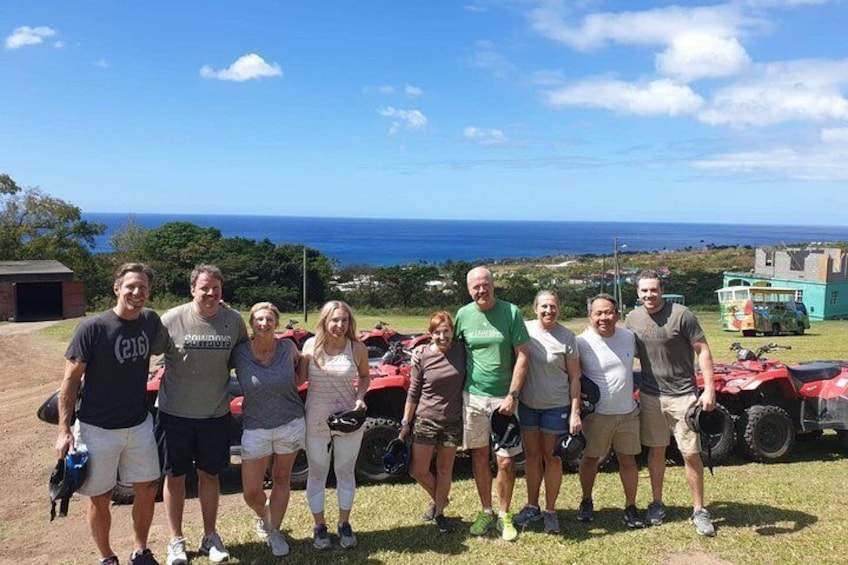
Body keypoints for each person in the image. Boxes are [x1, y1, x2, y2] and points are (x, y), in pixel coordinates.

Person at [54, 263, 169, 565]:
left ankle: (140, 550)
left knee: (147, 487)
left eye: (143, 287)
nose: (137, 292)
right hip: (97, 427)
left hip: (139, 423)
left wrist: (215, 306)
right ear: (117, 288)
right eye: (131, 286)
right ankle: (107, 557)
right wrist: (64, 429)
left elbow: (175, 333)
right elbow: (70, 381)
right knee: (100, 496)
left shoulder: (149, 321)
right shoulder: (93, 328)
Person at [156, 265, 249, 564]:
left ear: (222, 292)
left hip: (215, 414)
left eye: (216, 289)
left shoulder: (233, 322)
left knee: (210, 475)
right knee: (175, 477)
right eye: (204, 288)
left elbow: (246, 357)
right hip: (174, 414)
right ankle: (175, 540)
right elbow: (145, 355)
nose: (210, 294)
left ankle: (210, 536)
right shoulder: (171, 319)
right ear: (192, 289)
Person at [625, 270, 717, 537]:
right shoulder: (632, 319)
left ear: (661, 289)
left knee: (690, 453)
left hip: (684, 396)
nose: (649, 295)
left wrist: (709, 388)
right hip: (651, 395)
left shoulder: (682, 315)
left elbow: (703, 349)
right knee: (656, 452)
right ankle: (656, 504)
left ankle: (699, 509)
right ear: (638, 293)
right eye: (644, 291)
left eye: (653, 290)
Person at [455, 266, 530, 542]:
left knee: (506, 461)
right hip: (472, 397)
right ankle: (486, 510)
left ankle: (504, 514)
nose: (481, 290)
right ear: (468, 289)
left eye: (485, 285)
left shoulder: (510, 312)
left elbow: (523, 355)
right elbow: (449, 348)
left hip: (504, 400)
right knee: (478, 456)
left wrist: (513, 394)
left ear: (493, 285)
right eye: (475, 286)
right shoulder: (463, 315)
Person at [232, 302, 304, 557]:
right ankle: (264, 515)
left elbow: (302, 363)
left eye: (269, 319)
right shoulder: (239, 352)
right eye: (259, 320)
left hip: (290, 422)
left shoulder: (287, 347)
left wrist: (297, 381)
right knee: (251, 491)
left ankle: (275, 531)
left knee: (282, 479)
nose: (264, 324)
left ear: (276, 322)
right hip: (256, 426)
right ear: (251, 323)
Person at [299, 300, 370, 550]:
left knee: (345, 472)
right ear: (324, 321)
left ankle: (344, 523)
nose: (339, 325)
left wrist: (360, 397)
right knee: (317, 473)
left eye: (344, 320)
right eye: (334, 320)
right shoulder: (310, 346)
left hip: (348, 420)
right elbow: (298, 378)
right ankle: (319, 526)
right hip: (317, 419)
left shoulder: (357, 348)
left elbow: (364, 376)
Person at [513, 290, 582, 535]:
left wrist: (575, 412)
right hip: (529, 405)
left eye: (552, 306)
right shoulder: (524, 330)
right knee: (532, 457)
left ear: (559, 309)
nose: (548, 311)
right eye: (543, 306)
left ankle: (550, 511)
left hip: (557, 406)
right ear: (534, 308)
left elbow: (575, 377)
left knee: (552, 458)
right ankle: (532, 506)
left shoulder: (567, 337)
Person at [576, 293, 644, 529]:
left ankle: (631, 506)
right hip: (597, 415)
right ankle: (586, 500)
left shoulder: (628, 337)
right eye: (598, 313)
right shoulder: (581, 342)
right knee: (591, 459)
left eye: (608, 312)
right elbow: (571, 375)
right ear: (590, 316)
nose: (603, 317)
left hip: (627, 413)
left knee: (628, 460)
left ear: (617, 314)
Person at [399, 311, 466, 534]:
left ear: (452, 332)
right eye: (437, 332)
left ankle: (439, 514)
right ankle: (442, 499)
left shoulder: (461, 350)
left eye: (446, 331)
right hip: (426, 419)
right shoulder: (422, 355)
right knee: (418, 470)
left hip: (452, 421)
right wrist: (405, 422)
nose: (442, 336)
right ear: (430, 334)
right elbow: (414, 392)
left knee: (445, 469)